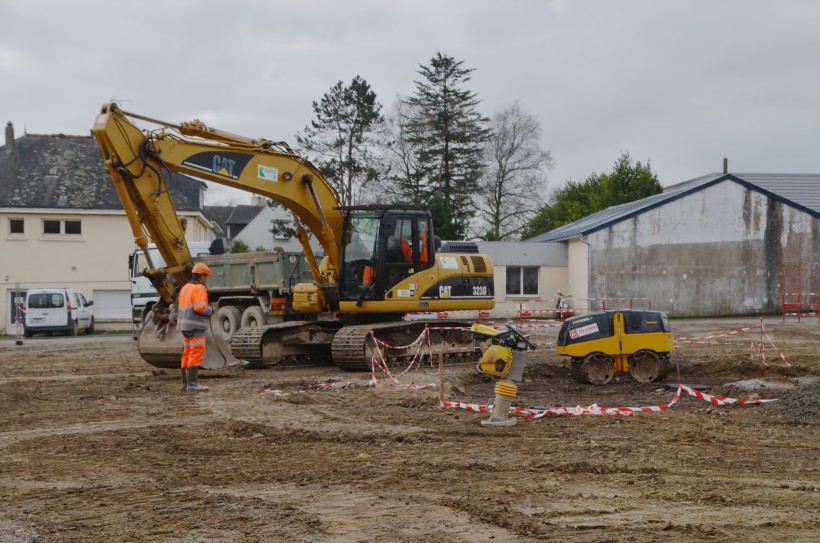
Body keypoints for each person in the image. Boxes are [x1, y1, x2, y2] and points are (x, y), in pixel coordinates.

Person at [176, 262, 215, 392]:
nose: (206, 280)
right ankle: (192, 384)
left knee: (186, 353)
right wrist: (211, 310)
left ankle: (185, 384)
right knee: (196, 353)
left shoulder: (185, 288)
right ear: (202, 276)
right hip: (195, 325)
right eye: (206, 277)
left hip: (184, 326)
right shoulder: (199, 288)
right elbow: (199, 307)